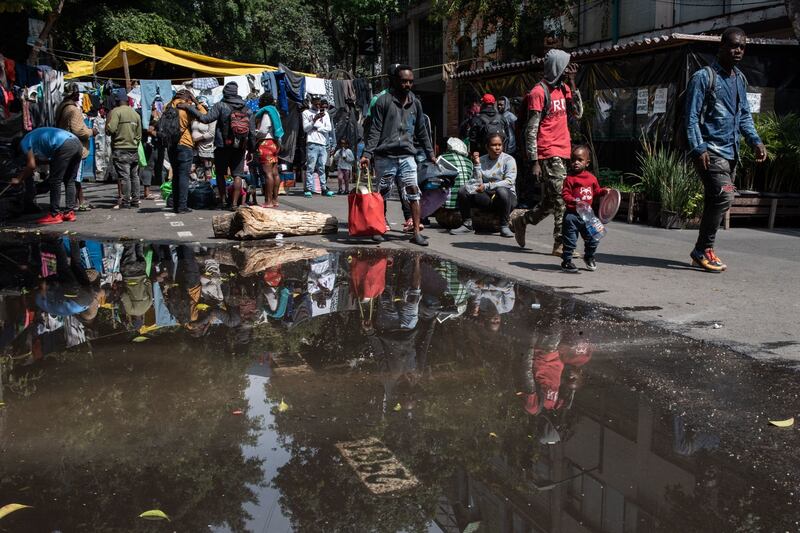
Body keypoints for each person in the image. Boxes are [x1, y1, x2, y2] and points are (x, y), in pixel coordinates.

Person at [686, 26, 767, 273]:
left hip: (731, 153)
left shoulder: (739, 79)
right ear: (721, 47)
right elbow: (691, 117)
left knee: (716, 200)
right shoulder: (704, 77)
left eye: (742, 46)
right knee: (725, 195)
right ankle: (703, 250)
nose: (738, 50)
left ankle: (702, 250)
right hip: (711, 153)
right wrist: (699, 149)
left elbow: (743, 115)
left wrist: (755, 140)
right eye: (733, 45)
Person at [511, 49, 583, 256]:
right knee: (562, 198)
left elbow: (578, 113)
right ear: (556, 68)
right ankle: (560, 244)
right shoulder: (538, 93)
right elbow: (531, 130)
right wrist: (534, 161)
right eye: (566, 66)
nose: (569, 69)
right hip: (548, 151)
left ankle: (522, 220)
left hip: (564, 150)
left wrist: (573, 82)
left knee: (551, 202)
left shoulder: (564, 89)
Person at [360, 64, 436, 247]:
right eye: (404, 81)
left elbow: (422, 131)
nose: (407, 85)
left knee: (413, 192)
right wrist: (367, 154)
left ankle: (416, 232)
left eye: (410, 81)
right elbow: (375, 130)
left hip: (408, 156)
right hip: (385, 156)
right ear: (395, 81)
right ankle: (378, 228)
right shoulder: (383, 101)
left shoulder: (415, 103)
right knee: (382, 194)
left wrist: (430, 152)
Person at [181, 81, 254, 209]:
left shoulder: (220, 106)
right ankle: (235, 204)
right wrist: (252, 150)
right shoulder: (247, 109)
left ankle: (223, 201)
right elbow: (252, 132)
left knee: (220, 173)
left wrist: (189, 108)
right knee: (238, 175)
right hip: (240, 146)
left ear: (225, 92)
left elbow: (205, 119)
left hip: (222, 145)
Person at [450, 133, 517, 238]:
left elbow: (509, 182)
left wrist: (487, 186)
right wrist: (476, 164)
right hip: (487, 197)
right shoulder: (482, 159)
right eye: (494, 145)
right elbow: (477, 181)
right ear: (487, 147)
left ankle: (504, 225)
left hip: (505, 198)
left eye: (500, 145)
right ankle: (467, 224)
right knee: (463, 190)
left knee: (501, 191)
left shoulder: (509, 160)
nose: (497, 148)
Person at [13, 128, 82, 224]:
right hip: (76, 142)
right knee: (70, 180)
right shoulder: (33, 137)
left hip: (65, 144)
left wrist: (18, 179)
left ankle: (55, 214)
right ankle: (69, 212)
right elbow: (49, 159)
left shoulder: (23, 143)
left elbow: (31, 165)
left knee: (55, 181)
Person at [559, 145, 608, 273]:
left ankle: (589, 256)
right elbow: (565, 195)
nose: (576, 163)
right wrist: (574, 201)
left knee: (594, 237)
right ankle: (567, 261)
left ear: (587, 163)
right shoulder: (569, 179)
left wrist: (605, 191)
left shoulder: (591, 178)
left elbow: (596, 191)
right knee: (570, 240)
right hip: (572, 216)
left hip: (588, 215)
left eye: (580, 160)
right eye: (573, 159)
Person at [55, 82, 97, 212]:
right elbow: (79, 131)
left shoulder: (61, 107)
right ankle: (73, 205)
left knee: (68, 177)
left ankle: (77, 202)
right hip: (74, 147)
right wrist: (92, 132)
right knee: (73, 178)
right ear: (73, 94)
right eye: (77, 93)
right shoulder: (73, 110)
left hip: (62, 144)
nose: (79, 95)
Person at [165, 89, 201, 214]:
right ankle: (182, 206)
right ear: (187, 98)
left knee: (175, 175)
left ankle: (175, 205)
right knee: (184, 176)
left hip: (171, 145)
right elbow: (204, 114)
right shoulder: (186, 109)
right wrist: (195, 101)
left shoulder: (168, 107)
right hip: (184, 144)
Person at [106, 91, 143, 209]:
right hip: (133, 149)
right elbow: (139, 135)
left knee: (124, 177)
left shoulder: (116, 112)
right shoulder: (135, 114)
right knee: (134, 176)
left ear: (117, 101)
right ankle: (136, 200)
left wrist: (107, 126)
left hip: (120, 149)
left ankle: (126, 201)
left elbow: (110, 130)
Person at [254, 93, 284, 207]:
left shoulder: (267, 112)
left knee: (267, 174)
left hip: (266, 143)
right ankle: (275, 200)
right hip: (275, 143)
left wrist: (256, 135)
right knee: (275, 173)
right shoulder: (275, 111)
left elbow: (263, 129)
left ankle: (268, 201)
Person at [302, 95, 334, 197]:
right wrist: (314, 120)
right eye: (316, 103)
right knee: (310, 167)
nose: (318, 105)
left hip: (323, 143)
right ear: (312, 102)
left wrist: (317, 127)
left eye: (319, 103)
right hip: (312, 142)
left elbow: (328, 129)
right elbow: (306, 129)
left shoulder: (326, 114)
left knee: (322, 167)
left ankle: (323, 188)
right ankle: (309, 189)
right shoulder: (306, 113)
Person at [190, 95, 216, 181]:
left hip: (206, 148)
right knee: (191, 170)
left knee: (207, 170)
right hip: (194, 148)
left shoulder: (212, 119)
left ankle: (207, 190)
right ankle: (196, 187)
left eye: (203, 106)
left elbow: (211, 133)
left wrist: (197, 140)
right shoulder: (194, 118)